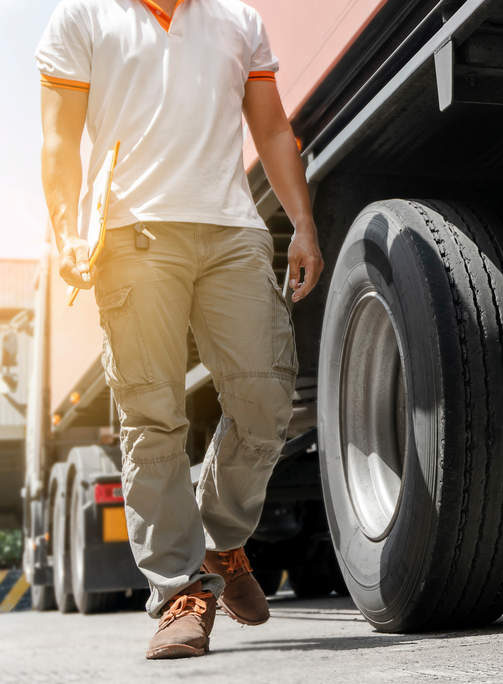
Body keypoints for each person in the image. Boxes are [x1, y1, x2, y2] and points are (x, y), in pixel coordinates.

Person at [37, 0, 324, 659]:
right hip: (130, 237)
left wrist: (301, 224)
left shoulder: (238, 20)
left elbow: (275, 131)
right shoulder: (80, 19)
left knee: (267, 399)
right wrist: (68, 233)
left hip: (233, 234)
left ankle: (222, 542)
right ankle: (178, 591)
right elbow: (59, 139)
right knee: (152, 415)